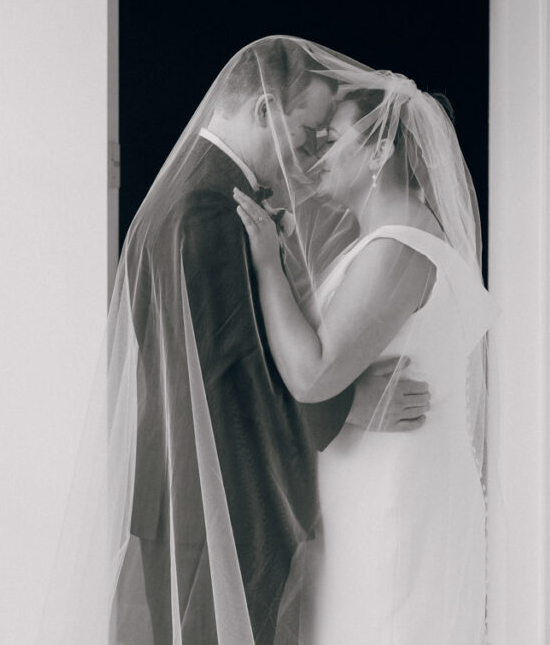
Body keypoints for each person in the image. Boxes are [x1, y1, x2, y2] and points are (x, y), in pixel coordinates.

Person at [109, 37, 431, 645]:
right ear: (263, 111)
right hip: (212, 500)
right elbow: (209, 376)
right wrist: (344, 401)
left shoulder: (203, 194)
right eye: (307, 128)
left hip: (200, 498)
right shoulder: (204, 209)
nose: (311, 150)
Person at [235, 71, 498, 645]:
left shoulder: (401, 245)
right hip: (365, 492)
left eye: (334, 136)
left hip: (395, 501)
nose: (318, 151)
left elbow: (311, 374)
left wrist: (267, 266)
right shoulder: (378, 242)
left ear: (380, 150)